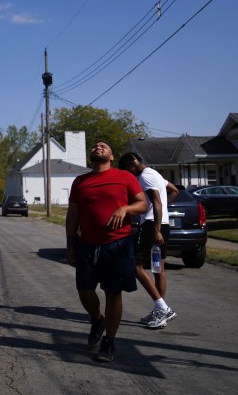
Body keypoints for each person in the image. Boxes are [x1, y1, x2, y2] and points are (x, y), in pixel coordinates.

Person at [66, 141, 147, 362]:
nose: (98, 146)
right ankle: (97, 319)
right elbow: (72, 215)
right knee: (84, 290)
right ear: (90, 155)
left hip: (118, 244)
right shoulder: (80, 181)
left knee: (113, 292)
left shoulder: (125, 177)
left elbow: (142, 204)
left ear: (112, 156)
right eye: (95, 146)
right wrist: (70, 244)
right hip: (87, 245)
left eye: (104, 146)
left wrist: (125, 208)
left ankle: (109, 341)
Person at [118, 152, 181, 329]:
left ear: (133, 163)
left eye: (127, 170)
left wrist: (156, 229)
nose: (129, 174)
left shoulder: (145, 177)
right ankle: (160, 311)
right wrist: (162, 216)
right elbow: (174, 190)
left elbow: (157, 202)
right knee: (158, 268)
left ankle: (163, 309)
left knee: (136, 266)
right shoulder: (156, 174)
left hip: (152, 226)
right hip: (163, 224)